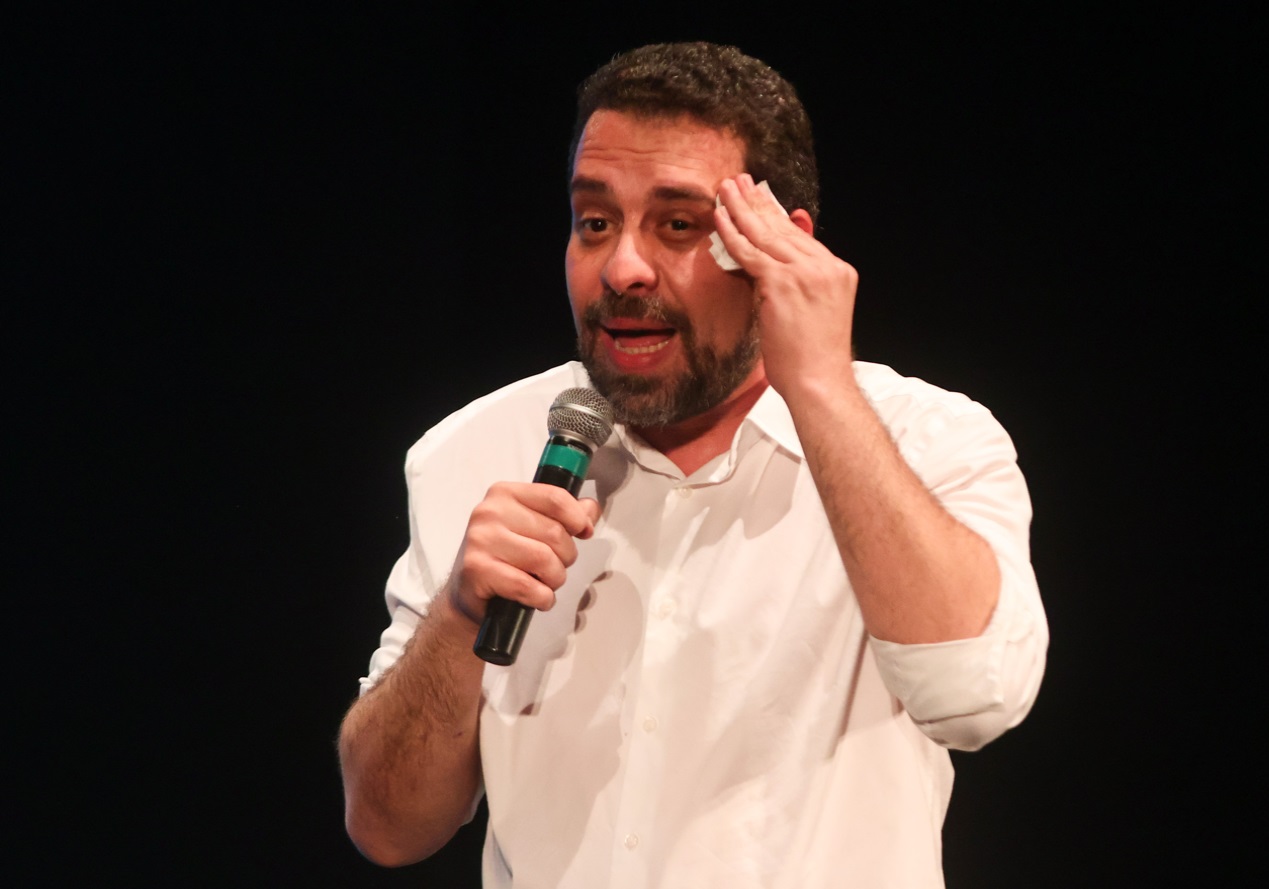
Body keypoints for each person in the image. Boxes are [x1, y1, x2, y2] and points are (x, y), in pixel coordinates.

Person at [339, 41, 1047, 888]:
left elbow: (976, 696)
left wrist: (821, 387)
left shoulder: (927, 441)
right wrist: (457, 620)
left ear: (779, 247)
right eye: (595, 222)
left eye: (678, 225)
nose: (623, 268)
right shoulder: (475, 450)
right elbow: (385, 826)